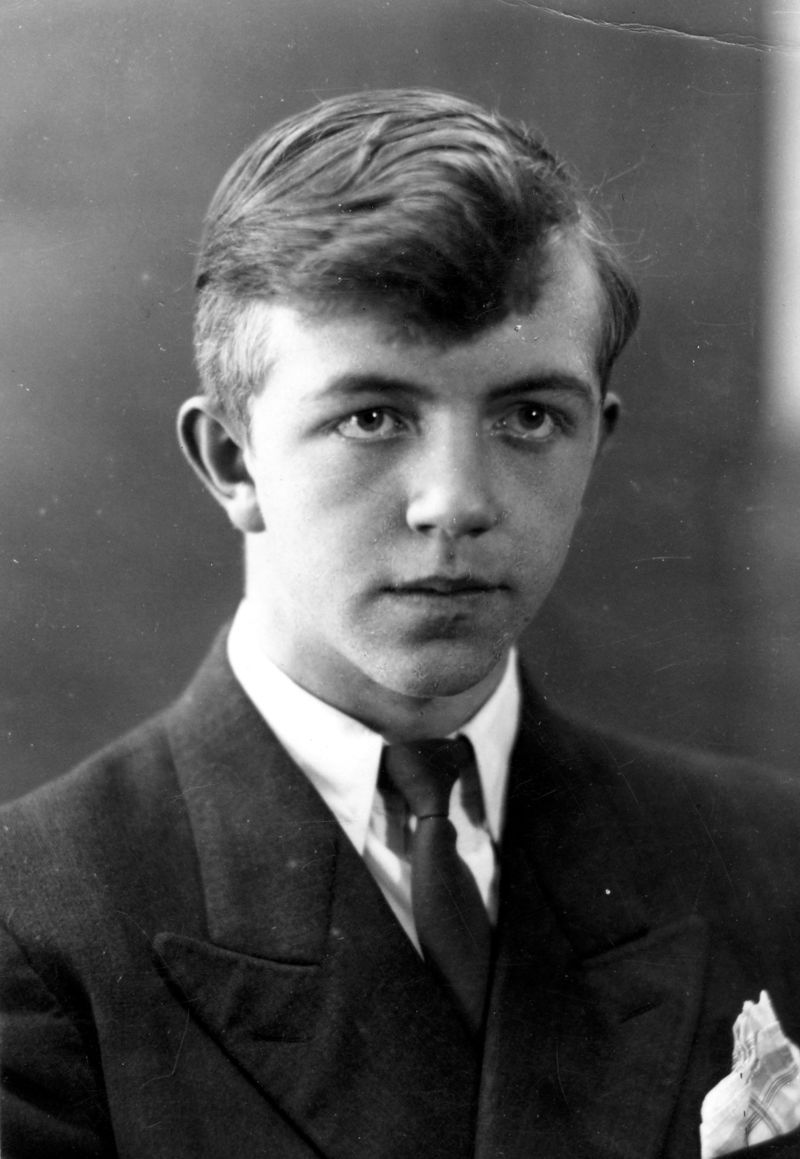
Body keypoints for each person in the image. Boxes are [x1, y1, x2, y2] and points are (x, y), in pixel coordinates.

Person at [2, 88, 800, 1159]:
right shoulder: (35, 926)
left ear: (597, 443)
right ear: (232, 461)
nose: (455, 502)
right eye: (372, 416)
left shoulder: (771, 862)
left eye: (530, 416)